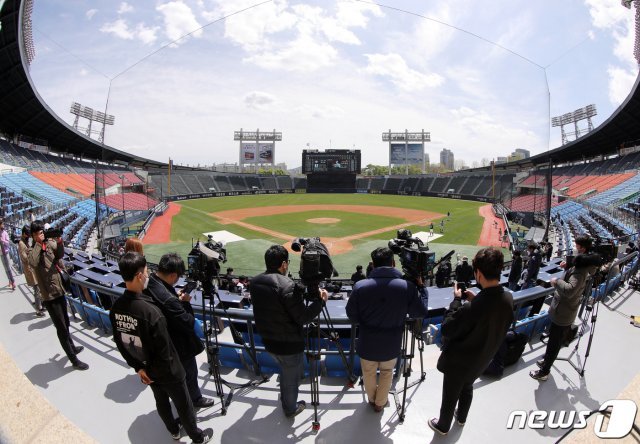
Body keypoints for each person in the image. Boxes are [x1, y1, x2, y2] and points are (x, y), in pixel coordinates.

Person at [110, 252, 213, 443]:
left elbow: (121, 342)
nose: (149, 275)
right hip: (168, 368)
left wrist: (139, 368)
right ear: (140, 275)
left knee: (161, 401)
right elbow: (165, 346)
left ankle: (174, 431)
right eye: (147, 271)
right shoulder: (150, 311)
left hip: (146, 368)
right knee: (184, 405)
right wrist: (176, 371)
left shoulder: (116, 307)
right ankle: (198, 438)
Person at [429, 248, 513, 435]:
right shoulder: (508, 297)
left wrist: (456, 301)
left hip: (459, 361)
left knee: (450, 394)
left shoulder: (471, 308)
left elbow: (448, 328)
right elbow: (493, 315)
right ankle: (462, 418)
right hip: (482, 360)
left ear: (479, 274)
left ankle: (443, 425)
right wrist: (475, 301)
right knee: (468, 387)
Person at [346, 247, 429, 412]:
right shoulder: (407, 287)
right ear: (393, 263)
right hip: (391, 344)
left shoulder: (360, 286)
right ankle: (379, 403)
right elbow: (420, 312)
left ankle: (372, 400)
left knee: (368, 373)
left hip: (367, 342)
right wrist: (422, 288)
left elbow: (352, 315)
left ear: (373, 265)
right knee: (386, 372)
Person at [250, 245, 328, 418]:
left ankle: (286, 398)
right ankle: (290, 408)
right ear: (284, 264)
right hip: (289, 345)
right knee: (291, 381)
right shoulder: (287, 285)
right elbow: (304, 317)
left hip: (268, 341)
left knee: (285, 371)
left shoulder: (255, 282)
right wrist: (321, 302)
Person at [143, 253, 214, 410]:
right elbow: (188, 323)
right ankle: (195, 400)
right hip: (178, 346)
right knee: (189, 374)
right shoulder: (168, 298)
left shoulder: (150, 282)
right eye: (178, 276)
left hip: (163, 342)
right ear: (173, 274)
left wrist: (175, 297)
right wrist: (185, 304)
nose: (178, 279)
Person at [530, 236, 601, 381]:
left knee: (554, 343)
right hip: (563, 310)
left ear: (582, 248)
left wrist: (556, 282)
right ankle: (546, 361)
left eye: (577, 246)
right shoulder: (582, 265)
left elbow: (570, 290)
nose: (575, 248)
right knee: (552, 341)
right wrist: (567, 267)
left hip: (563, 312)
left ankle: (544, 372)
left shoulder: (580, 271)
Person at [28, 220, 88, 370]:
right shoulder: (32, 250)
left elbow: (59, 253)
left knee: (66, 323)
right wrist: (38, 244)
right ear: (33, 235)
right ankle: (73, 359)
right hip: (49, 295)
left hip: (59, 289)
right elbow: (33, 263)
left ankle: (72, 348)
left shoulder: (48, 244)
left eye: (41, 232)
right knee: (61, 327)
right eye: (36, 234)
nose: (40, 235)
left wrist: (59, 241)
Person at [18, 225, 44, 317]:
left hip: (32, 269)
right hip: (30, 270)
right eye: (28, 234)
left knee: (38, 289)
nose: (29, 236)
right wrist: (30, 253)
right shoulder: (21, 243)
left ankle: (41, 304)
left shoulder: (25, 241)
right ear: (24, 234)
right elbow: (24, 258)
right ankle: (38, 309)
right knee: (36, 289)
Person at [0, 218, 16, 290]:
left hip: (6, 252)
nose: (2, 225)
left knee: (9, 267)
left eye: (2, 224)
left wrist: (2, 240)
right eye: (1, 224)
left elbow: (8, 243)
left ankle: (13, 282)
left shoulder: (5, 233)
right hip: (1, 253)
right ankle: (9, 280)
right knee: (6, 268)